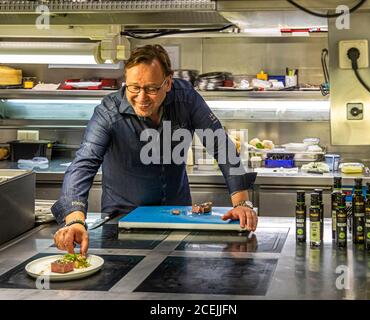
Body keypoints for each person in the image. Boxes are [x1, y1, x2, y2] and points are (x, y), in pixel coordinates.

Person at [51, 44, 258, 256]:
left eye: (151, 88)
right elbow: (84, 162)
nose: (141, 98)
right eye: (133, 88)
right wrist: (75, 220)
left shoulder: (186, 99)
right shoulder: (108, 112)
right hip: (122, 222)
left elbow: (219, 144)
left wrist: (241, 202)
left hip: (179, 218)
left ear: (167, 83)